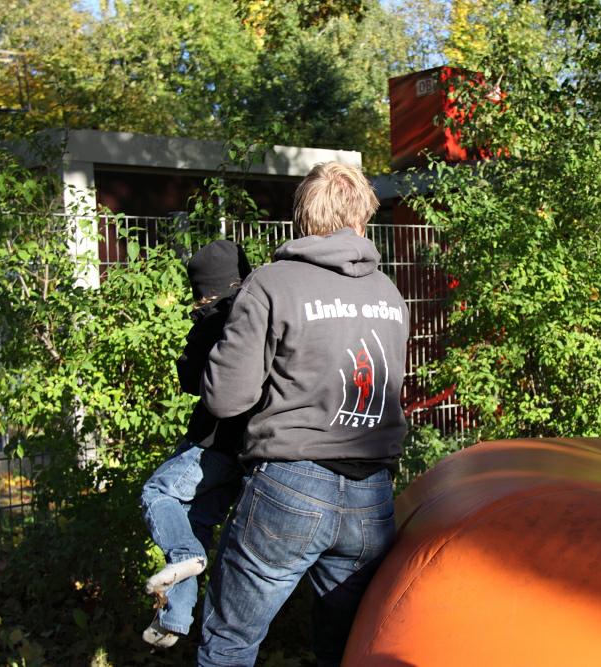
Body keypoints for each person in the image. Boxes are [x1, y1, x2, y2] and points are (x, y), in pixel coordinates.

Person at [197, 162, 409, 667]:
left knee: (229, 641)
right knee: (348, 649)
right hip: (372, 494)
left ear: (304, 215)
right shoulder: (388, 292)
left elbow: (226, 399)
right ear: (362, 217)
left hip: (291, 485)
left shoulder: (272, 284)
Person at [140, 239, 253, 649]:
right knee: (197, 520)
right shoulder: (262, 308)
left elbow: (190, 378)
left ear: (206, 289)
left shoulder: (218, 317)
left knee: (159, 493)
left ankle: (185, 561)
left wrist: (203, 319)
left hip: (213, 446)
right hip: (248, 453)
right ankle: (173, 618)